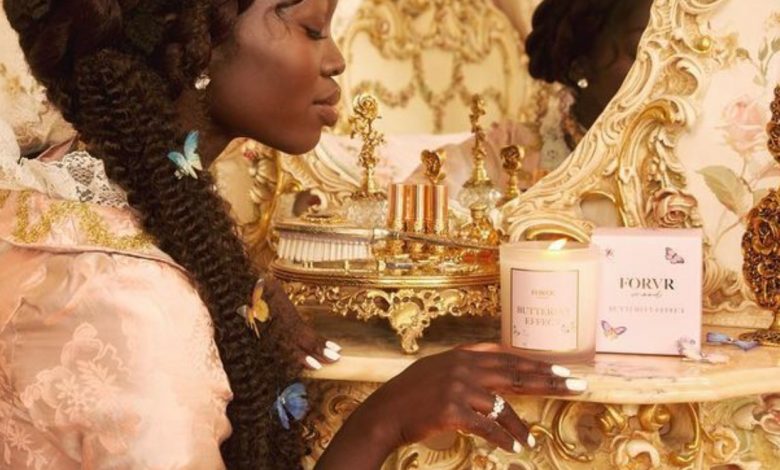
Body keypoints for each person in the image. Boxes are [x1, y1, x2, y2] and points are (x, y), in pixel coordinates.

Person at [0, 1, 587, 468]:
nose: (336, 60)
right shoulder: (129, 301)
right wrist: (384, 420)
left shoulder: (79, 203)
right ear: (201, 44)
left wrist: (235, 286)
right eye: (311, 28)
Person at [412, 0, 653, 197]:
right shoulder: (504, 157)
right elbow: (416, 209)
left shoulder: (673, 160)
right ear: (579, 66)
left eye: (669, 50)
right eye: (641, 50)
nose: (660, 67)